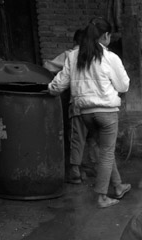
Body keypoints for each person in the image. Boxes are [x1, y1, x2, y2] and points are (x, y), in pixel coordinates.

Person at [48, 18, 131, 208]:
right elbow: (123, 85)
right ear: (106, 36)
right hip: (106, 113)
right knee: (107, 153)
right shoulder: (109, 57)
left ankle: (118, 187)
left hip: (85, 113)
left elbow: (59, 83)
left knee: (104, 150)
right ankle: (102, 196)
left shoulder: (73, 55)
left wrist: (49, 89)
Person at [44, 29, 96, 185]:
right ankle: (94, 168)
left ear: (75, 42)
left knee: (76, 139)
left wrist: (50, 89)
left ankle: (75, 172)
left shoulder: (70, 55)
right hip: (100, 106)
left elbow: (48, 66)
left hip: (79, 105)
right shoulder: (100, 55)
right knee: (93, 139)